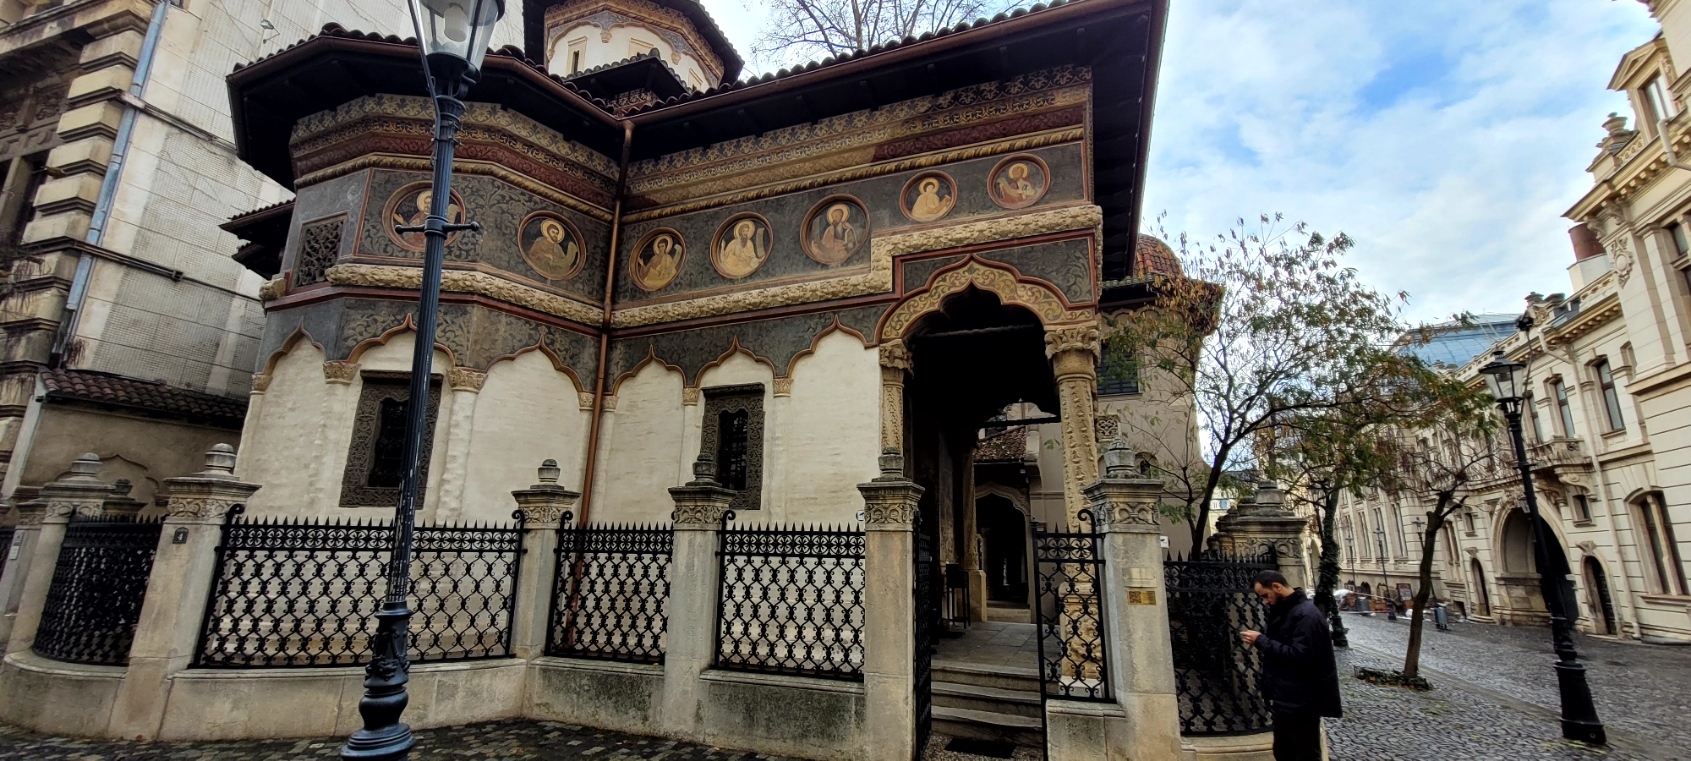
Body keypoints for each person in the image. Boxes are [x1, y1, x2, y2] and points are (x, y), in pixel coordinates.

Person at [1240, 570, 1341, 761]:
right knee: (1285, 751)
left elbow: (1300, 655)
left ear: (1277, 587)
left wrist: (1261, 640)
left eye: (1265, 596)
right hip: (1289, 697)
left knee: (1302, 752)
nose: (1265, 601)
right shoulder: (1290, 611)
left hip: (1302, 701)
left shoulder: (1305, 615)